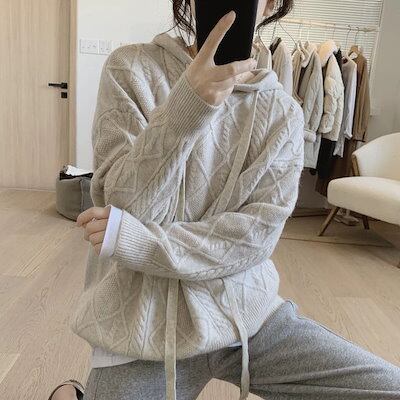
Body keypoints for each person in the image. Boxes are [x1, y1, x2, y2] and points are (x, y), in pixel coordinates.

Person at [48, 0, 400, 399]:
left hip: (245, 314)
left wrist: (140, 242)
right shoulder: (131, 69)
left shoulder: (283, 112)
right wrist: (189, 105)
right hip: (141, 321)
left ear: (271, 3)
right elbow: (126, 205)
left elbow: (254, 237)